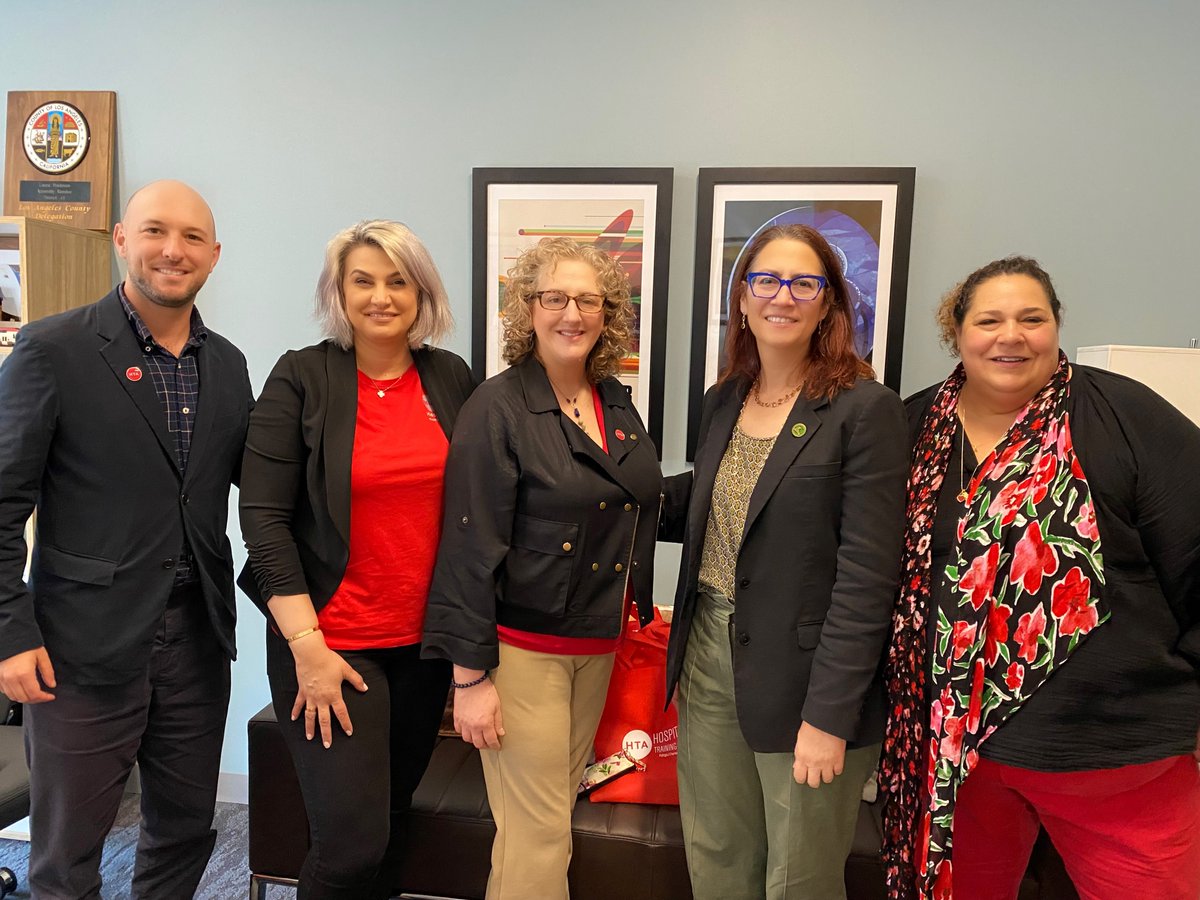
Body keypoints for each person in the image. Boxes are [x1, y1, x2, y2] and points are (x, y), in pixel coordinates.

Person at [880, 256, 1200, 900]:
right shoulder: (910, 426)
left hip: (1113, 752)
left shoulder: (1124, 415)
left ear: (1056, 327)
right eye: (989, 320)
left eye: (1033, 318)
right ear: (958, 333)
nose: (1012, 335)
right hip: (952, 757)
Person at [0, 180, 252, 898]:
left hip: (196, 642)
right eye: (154, 231)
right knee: (68, 853)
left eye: (192, 238)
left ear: (214, 255)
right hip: (77, 648)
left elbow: (265, 495)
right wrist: (9, 632)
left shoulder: (228, 367)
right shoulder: (53, 350)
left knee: (183, 829)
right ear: (120, 239)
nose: (173, 250)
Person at [659, 223, 908, 900]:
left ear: (829, 305)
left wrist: (829, 717)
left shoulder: (865, 410)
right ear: (742, 299)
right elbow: (711, 507)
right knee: (717, 858)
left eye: (805, 282)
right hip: (710, 655)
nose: (783, 296)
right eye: (766, 280)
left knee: (798, 877)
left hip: (808, 678)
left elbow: (867, 577)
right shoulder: (724, 401)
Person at [422, 236, 664, 900]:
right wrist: (469, 679)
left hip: (597, 643)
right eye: (554, 297)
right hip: (522, 652)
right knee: (538, 832)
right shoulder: (496, 408)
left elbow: (637, 500)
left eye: (589, 299)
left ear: (607, 313)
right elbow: (469, 548)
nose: (572, 313)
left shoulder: (611, 398)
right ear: (528, 310)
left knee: (545, 821)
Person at [239, 220, 475, 899]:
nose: (381, 296)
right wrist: (307, 647)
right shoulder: (304, 376)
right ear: (338, 292)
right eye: (362, 280)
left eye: (398, 280)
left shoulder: (448, 376)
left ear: (420, 292)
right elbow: (263, 517)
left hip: (421, 648)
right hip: (332, 647)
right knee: (349, 848)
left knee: (393, 829)